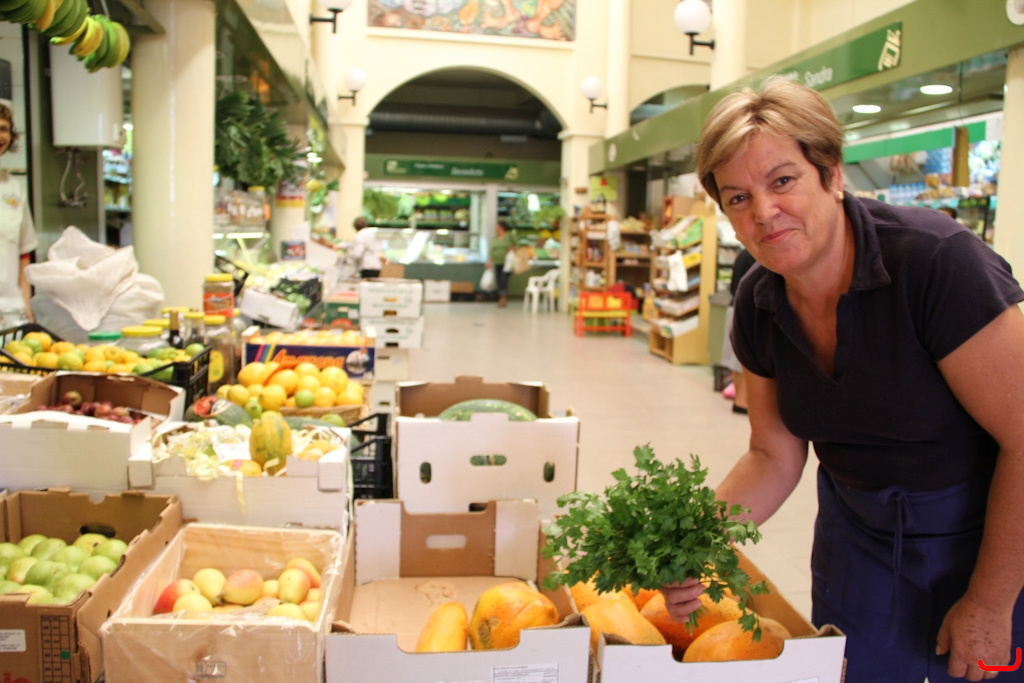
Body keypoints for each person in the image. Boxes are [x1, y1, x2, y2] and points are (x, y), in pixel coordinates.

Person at [661, 75, 1024, 682]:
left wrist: (991, 601)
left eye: (783, 181)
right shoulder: (757, 303)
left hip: (990, 536)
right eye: (739, 198)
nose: (764, 212)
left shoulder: (935, 264)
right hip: (858, 540)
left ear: (831, 174)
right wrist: (695, 546)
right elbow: (773, 455)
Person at [0, 104, 36, 326]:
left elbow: (24, 252)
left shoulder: (14, 189)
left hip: (10, 308)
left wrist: (25, 302)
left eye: (3, 129)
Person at [721, 247, 756, 413]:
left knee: (735, 358)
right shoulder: (754, 257)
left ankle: (739, 398)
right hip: (745, 309)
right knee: (743, 358)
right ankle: (742, 402)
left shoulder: (742, 255)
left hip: (734, 306)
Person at [487, 220, 514, 307]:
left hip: (507, 263)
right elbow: (493, 250)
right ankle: (501, 296)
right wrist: (490, 261)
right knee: (499, 280)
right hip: (497, 262)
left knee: (503, 279)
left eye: (498, 227)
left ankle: (503, 298)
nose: (496, 229)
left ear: (502, 228)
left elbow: (518, 246)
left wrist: (512, 248)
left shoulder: (509, 236)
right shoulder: (495, 238)